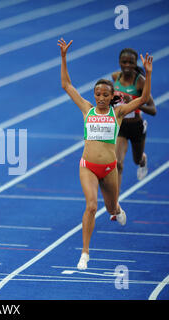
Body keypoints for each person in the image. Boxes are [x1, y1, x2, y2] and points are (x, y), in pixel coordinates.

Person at [57, 38, 152, 270]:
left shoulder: (118, 113)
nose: (100, 97)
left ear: (111, 97)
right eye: (97, 93)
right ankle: (85, 253)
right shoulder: (86, 109)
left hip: (109, 168)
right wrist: (63, 58)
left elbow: (142, 99)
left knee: (110, 208)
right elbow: (67, 86)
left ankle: (117, 210)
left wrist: (148, 74)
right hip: (87, 166)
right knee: (91, 206)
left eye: (104, 94)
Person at [112, 48, 156, 194]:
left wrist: (135, 102)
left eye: (131, 62)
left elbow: (153, 109)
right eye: (124, 62)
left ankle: (143, 159)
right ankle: (115, 204)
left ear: (135, 64)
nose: (127, 65)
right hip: (122, 126)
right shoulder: (115, 77)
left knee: (136, 160)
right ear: (119, 62)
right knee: (117, 163)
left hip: (137, 127)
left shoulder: (140, 82)